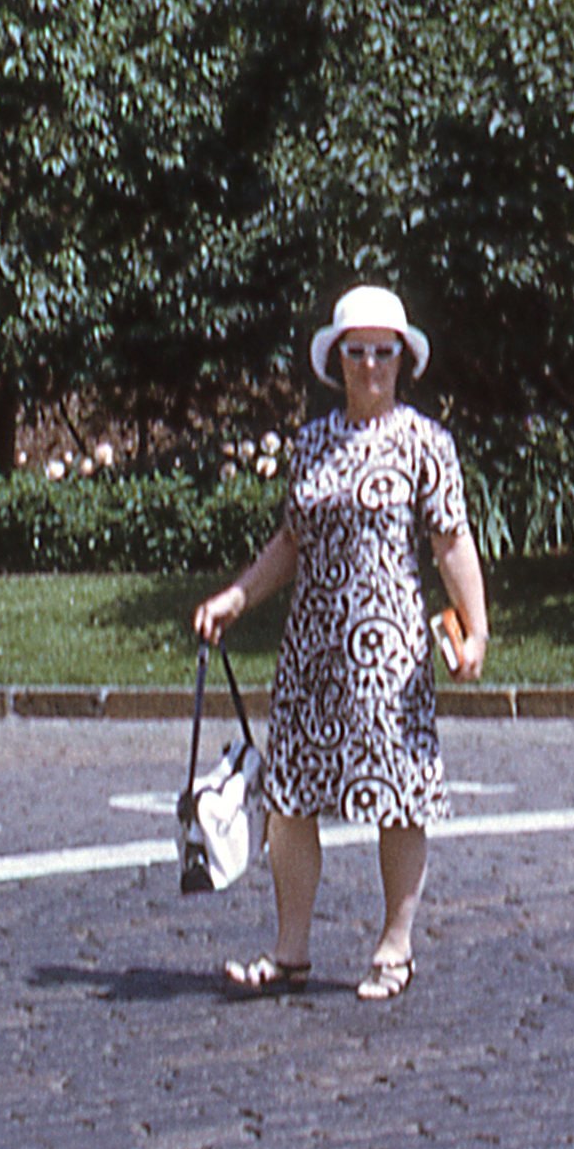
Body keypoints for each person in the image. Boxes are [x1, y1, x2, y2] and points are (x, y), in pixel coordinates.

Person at [191, 284, 489, 1002]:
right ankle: (290, 951)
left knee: (398, 794)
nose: (369, 365)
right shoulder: (315, 441)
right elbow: (291, 541)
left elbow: (451, 539)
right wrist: (237, 596)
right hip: (311, 651)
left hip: (389, 653)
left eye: (382, 352)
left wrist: (473, 625)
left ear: (401, 360)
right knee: (290, 795)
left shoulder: (425, 443)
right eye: (356, 352)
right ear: (338, 360)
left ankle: (395, 946)